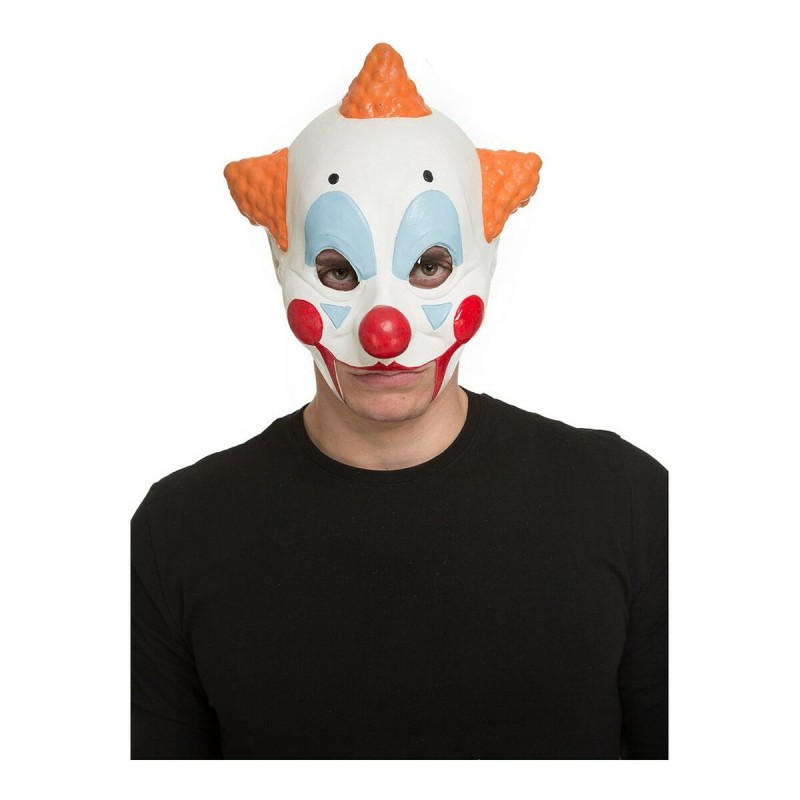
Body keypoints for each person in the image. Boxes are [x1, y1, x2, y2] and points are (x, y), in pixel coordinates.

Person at [131, 43, 667, 759]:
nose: (385, 331)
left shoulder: (629, 501)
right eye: (337, 271)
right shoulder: (176, 532)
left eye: (430, 266)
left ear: (487, 260)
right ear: (280, 264)